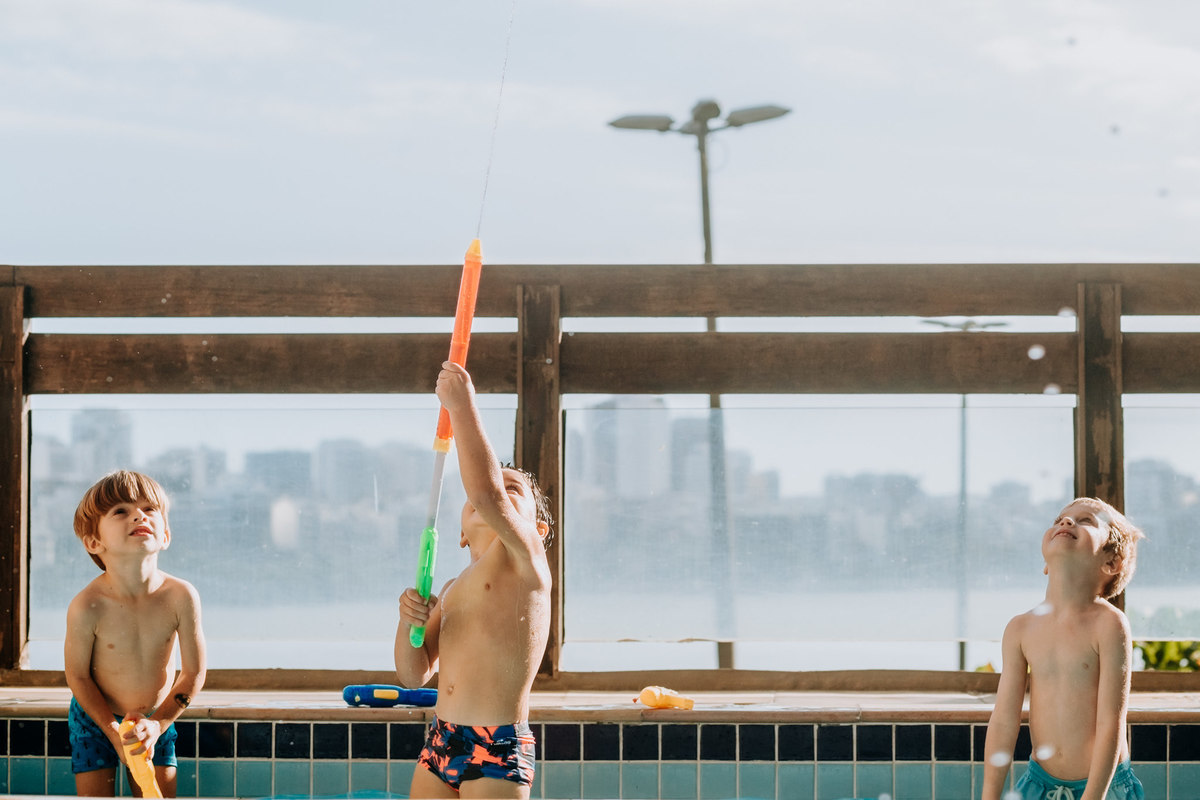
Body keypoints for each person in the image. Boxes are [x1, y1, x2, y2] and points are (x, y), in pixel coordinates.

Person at [395, 361, 553, 799]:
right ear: (462, 534)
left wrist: (463, 408)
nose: (496, 492)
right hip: (441, 741)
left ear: (535, 529)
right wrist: (408, 621)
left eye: (513, 491)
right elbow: (412, 674)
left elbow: (486, 492)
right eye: (486, 493)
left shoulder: (527, 562)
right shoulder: (450, 588)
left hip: (496, 744)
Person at [982, 497, 1146, 800]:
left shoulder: (1109, 625)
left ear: (1111, 562)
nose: (1066, 522)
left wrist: (1093, 797)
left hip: (1104, 787)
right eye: (1059, 519)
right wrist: (989, 796)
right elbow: (1004, 720)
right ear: (1045, 562)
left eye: (1085, 521)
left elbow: (1111, 722)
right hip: (1040, 785)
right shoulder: (1020, 629)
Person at [64, 470, 207, 798]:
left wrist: (157, 725)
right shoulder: (87, 606)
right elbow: (78, 677)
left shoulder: (181, 597)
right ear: (93, 542)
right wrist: (111, 730)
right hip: (94, 717)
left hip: (156, 718)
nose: (139, 515)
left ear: (165, 535)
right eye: (121, 511)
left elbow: (194, 672)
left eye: (149, 509)